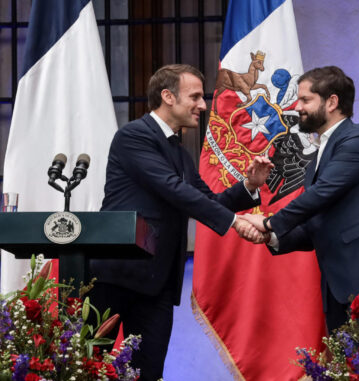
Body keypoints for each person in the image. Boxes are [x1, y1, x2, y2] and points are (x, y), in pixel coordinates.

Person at [88, 64, 270, 380]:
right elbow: (174, 191)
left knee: (149, 373)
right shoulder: (134, 136)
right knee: (84, 366)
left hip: (157, 283)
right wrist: (235, 223)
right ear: (168, 96)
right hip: (115, 276)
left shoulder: (181, 153)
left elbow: (206, 202)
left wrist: (249, 187)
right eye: (195, 96)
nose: (203, 105)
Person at [242, 66, 359, 332]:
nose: (297, 107)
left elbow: (320, 194)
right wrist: (271, 237)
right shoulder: (319, 155)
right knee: (347, 371)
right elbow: (316, 220)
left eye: (305, 99)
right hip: (338, 284)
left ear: (332, 102)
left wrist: (269, 223)